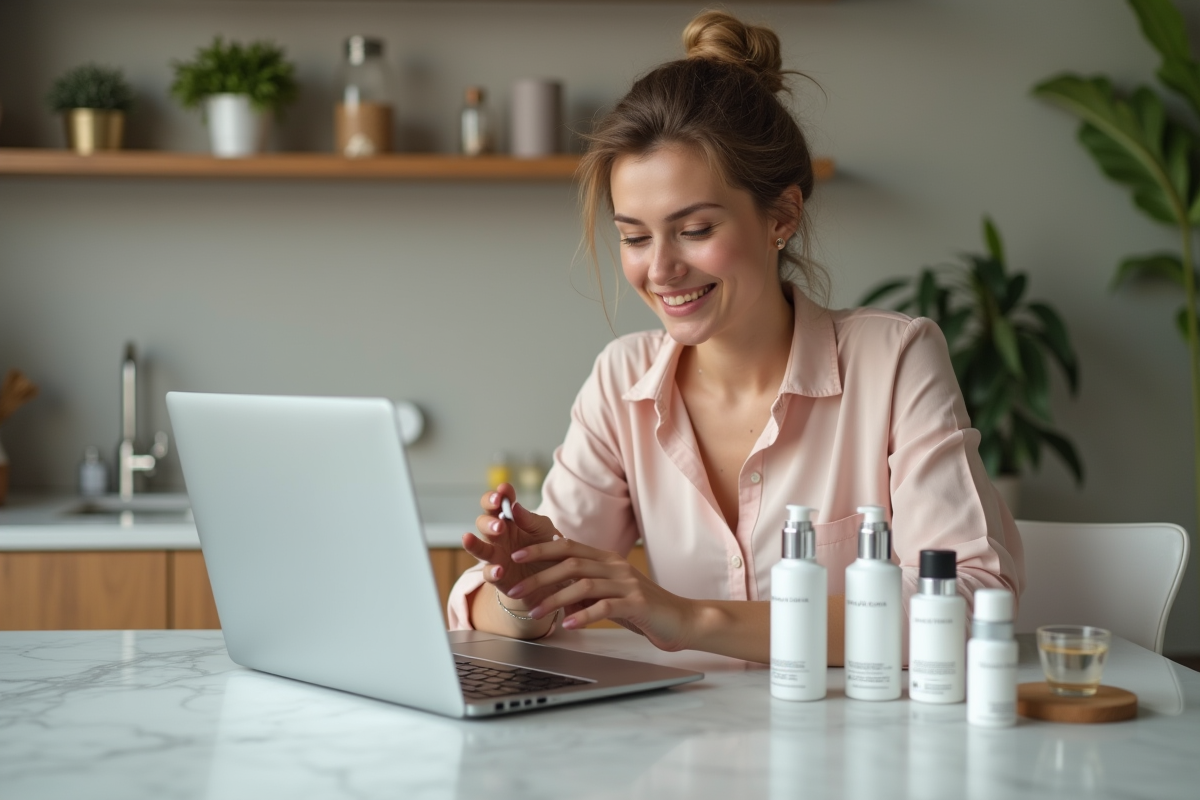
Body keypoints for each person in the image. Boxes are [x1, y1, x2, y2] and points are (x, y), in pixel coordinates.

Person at [447, 10, 1023, 665]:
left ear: (780, 215)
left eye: (694, 230)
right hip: (689, 751)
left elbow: (969, 602)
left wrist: (688, 618)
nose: (659, 269)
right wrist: (524, 590)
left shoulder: (894, 361)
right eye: (634, 236)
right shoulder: (622, 380)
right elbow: (494, 617)